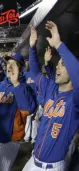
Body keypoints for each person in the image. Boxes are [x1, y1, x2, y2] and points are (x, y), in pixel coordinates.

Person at [22, 22, 79, 171]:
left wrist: (59, 44)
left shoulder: (75, 99)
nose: (58, 66)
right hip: (33, 160)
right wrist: (32, 48)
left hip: (52, 167)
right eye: (58, 63)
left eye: (63, 64)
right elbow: (34, 73)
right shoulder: (50, 87)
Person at [0, 52, 37, 171]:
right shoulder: (0, 85)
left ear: (20, 67)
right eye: (8, 63)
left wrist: (16, 83)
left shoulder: (25, 87)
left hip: (9, 141)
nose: (9, 66)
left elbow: (28, 110)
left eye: (13, 64)